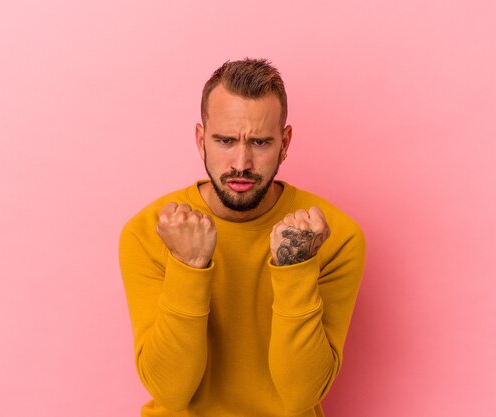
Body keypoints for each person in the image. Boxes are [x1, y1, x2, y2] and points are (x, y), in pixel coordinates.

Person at [119, 58, 366, 417]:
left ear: (285, 143)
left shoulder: (335, 237)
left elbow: (301, 395)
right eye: (224, 140)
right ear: (201, 139)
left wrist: (296, 267)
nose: (241, 163)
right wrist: (188, 266)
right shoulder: (149, 232)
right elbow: (170, 391)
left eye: (260, 142)